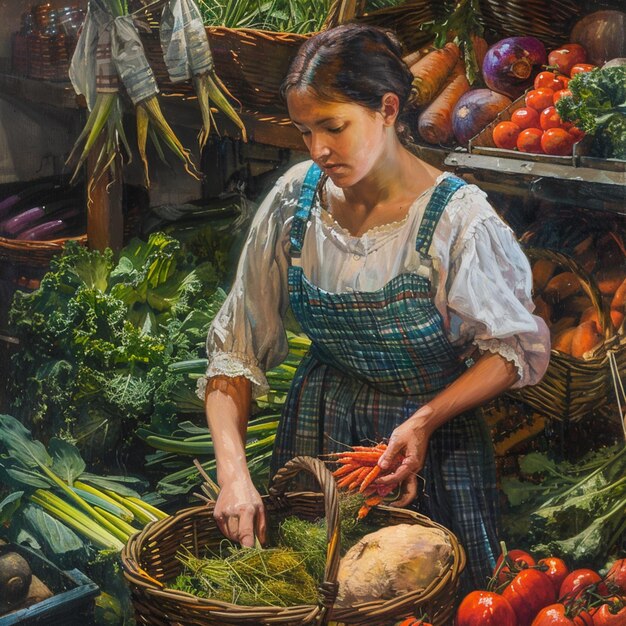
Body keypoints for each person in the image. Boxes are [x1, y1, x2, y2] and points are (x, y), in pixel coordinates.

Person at [197, 23, 550, 591]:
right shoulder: (295, 200)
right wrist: (233, 473)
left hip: (427, 448)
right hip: (318, 438)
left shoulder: (457, 221)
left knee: (421, 596)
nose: (317, 150)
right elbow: (235, 353)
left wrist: (424, 420)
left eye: (334, 127)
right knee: (312, 591)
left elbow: (511, 352)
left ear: (388, 109)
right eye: (304, 130)